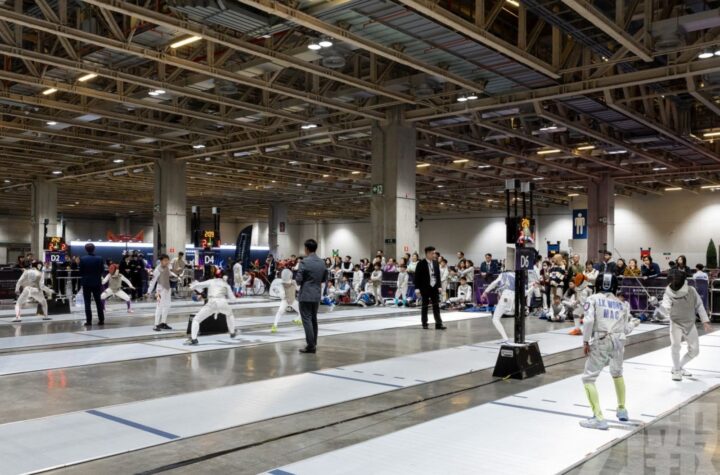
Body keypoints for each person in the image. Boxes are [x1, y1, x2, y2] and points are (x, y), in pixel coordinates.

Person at [580, 273, 640, 430]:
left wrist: (585, 341)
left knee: (588, 378)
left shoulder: (592, 299)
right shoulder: (622, 304)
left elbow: (588, 321)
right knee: (617, 373)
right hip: (619, 341)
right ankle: (622, 410)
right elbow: (625, 329)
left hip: (602, 340)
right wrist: (634, 323)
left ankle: (598, 418)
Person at [659, 268, 713, 381]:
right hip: (676, 323)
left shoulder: (691, 290)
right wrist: (658, 308)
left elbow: (699, 305)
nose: (674, 282)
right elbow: (665, 309)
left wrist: (705, 321)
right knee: (675, 346)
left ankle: (678, 367)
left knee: (695, 350)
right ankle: (677, 371)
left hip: (690, 323)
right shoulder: (668, 293)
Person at [185, 268, 237, 345]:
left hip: (211, 303)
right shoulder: (226, 285)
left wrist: (192, 286)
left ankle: (194, 339)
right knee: (230, 314)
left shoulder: (211, 281)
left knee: (196, 320)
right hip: (222, 303)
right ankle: (232, 332)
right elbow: (233, 299)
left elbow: (198, 284)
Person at [295, 239, 327, 353]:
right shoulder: (322, 262)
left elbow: (298, 280)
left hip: (306, 295)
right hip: (316, 294)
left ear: (307, 249)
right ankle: (314, 343)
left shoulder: (304, 262)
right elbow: (324, 279)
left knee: (307, 320)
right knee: (313, 319)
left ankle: (311, 345)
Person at [415, 246, 446, 330]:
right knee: (425, 306)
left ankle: (438, 323)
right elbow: (417, 276)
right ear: (428, 253)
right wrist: (417, 288)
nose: (434, 255)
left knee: (436, 306)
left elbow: (438, 275)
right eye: (432, 253)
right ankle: (424, 323)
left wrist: (439, 286)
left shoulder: (435, 263)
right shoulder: (421, 263)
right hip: (425, 287)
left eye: (434, 253)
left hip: (434, 287)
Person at [482, 271, 515, 342]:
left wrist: (485, 292)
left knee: (495, 319)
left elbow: (494, 283)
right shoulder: (516, 275)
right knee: (510, 313)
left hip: (506, 296)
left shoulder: (503, 274)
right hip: (513, 299)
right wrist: (532, 287)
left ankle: (505, 338)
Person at [148, 254, 177, 331]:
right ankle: (156, 325)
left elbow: (170, 273)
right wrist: (149, 291)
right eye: (165, 260)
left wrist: (176, 276)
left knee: (167, 305)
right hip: (159, 290)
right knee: (159, 306)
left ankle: (163, 323)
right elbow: (153, 281)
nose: (167, 262)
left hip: (167, 289)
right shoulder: (157, 270)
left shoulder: (167, 267)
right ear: (161, 261)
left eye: (167, 260)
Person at [79, 243, 105, 327]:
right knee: (98, 301)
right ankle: (101, 320)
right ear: (94, 249)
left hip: (86, 283)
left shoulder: (83, 259)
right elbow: (102, 270)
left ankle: (89, 321)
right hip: (96, 282)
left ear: (86, 250)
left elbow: (81, 271)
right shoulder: (100, 258)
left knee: (87, 302)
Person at [270, 268, 302, 333]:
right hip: (287, 301)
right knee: (302, 311)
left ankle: (297, 320)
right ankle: (275, 326)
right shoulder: (284, 283)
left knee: (302, 311)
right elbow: (298, 289)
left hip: (290, 301)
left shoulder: (291, 282)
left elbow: (298, 288)